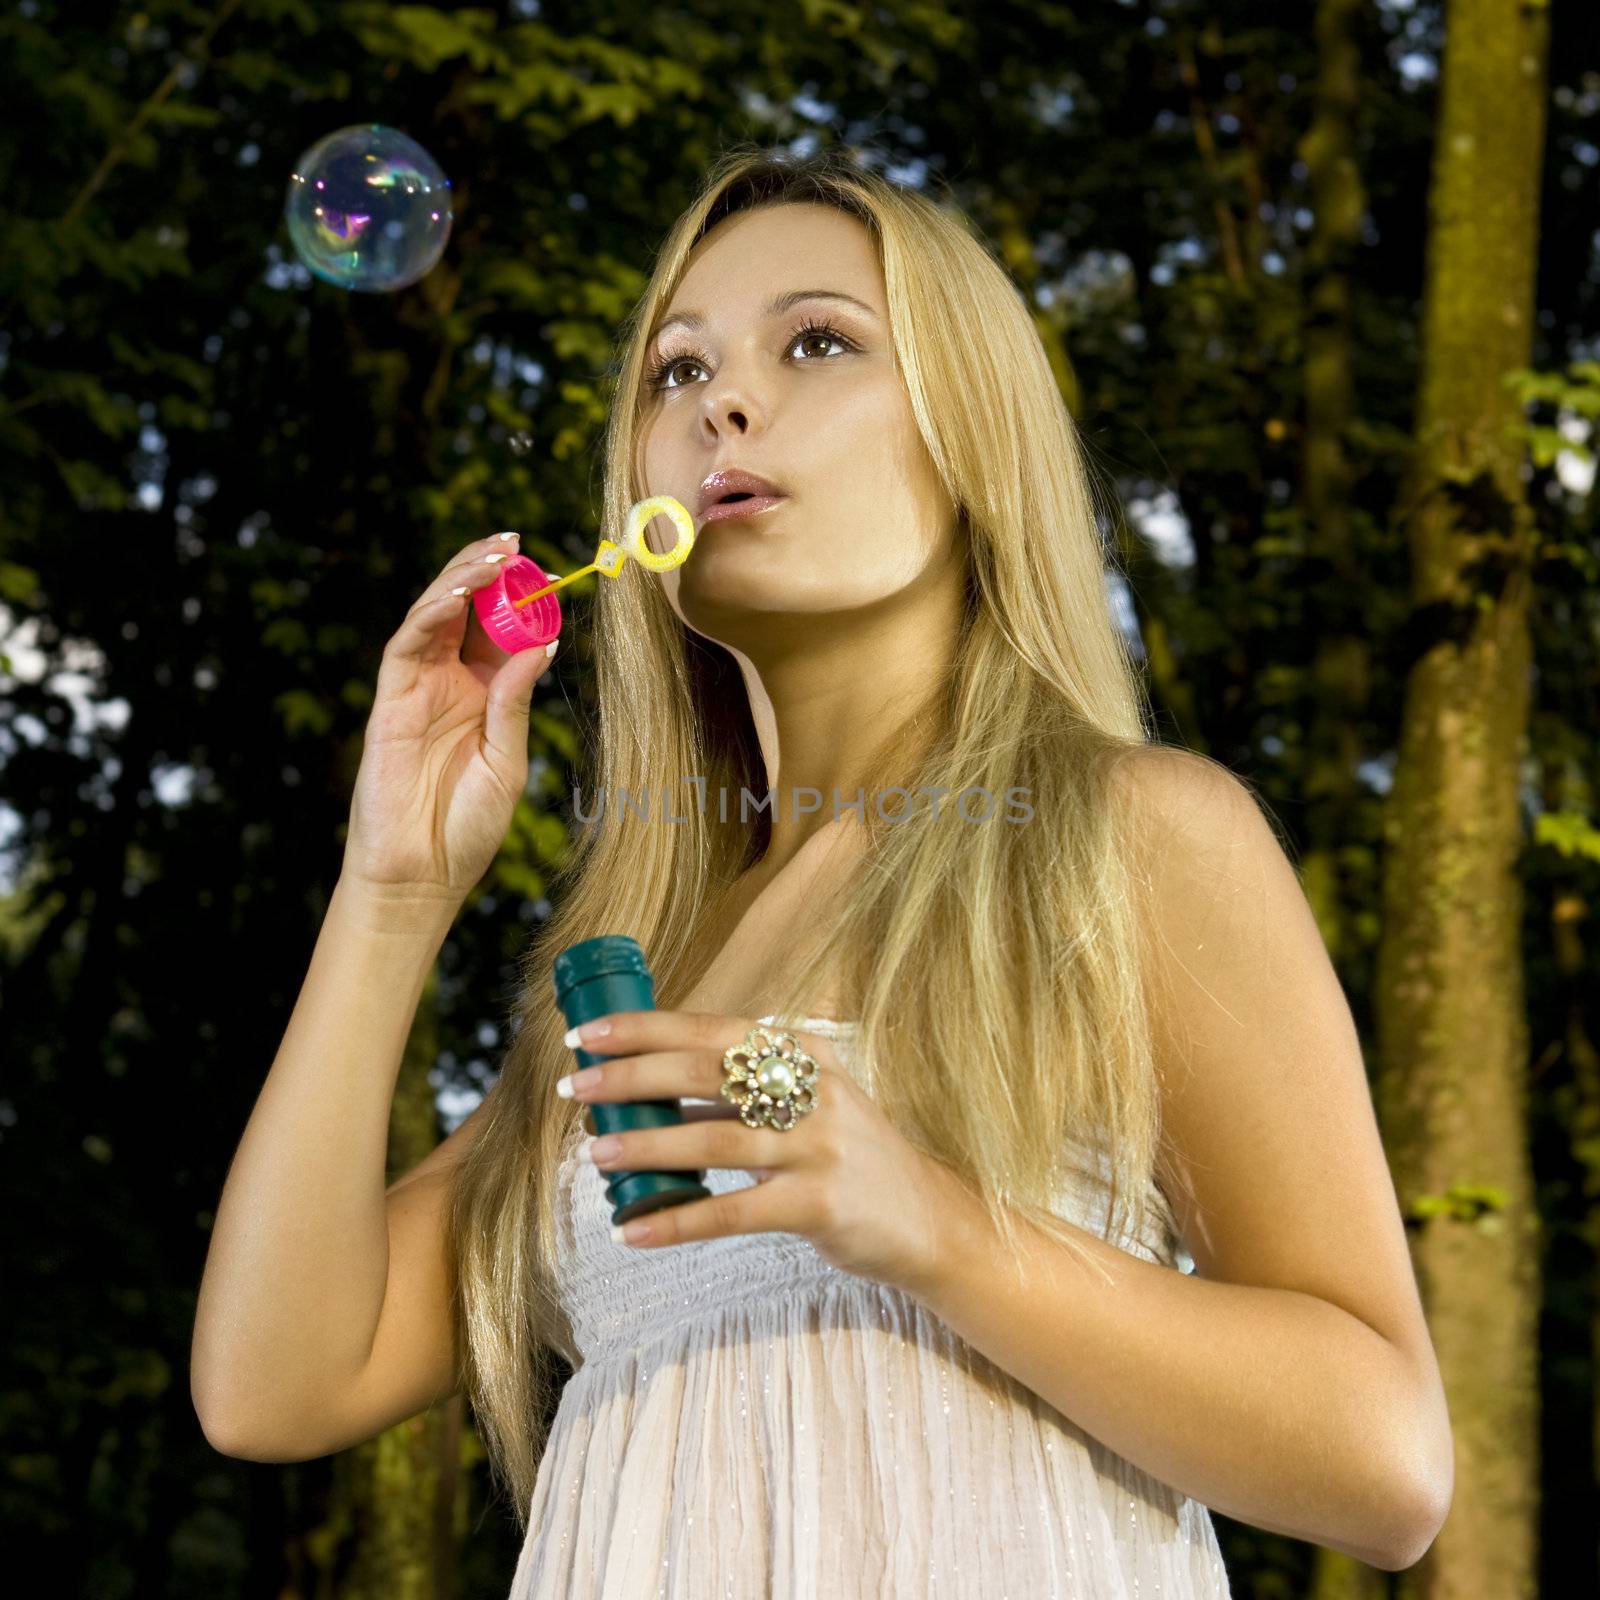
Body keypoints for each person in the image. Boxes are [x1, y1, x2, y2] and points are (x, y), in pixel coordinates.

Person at [192, 144, 1453, 1596]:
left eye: (816, 341)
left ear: (972, 439)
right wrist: (391, 886)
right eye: (676, 372)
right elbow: (275, 1381)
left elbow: (1390, 1461)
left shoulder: (1132, 838)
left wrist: (935, 1227)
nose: (720, 401)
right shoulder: (635, 983)